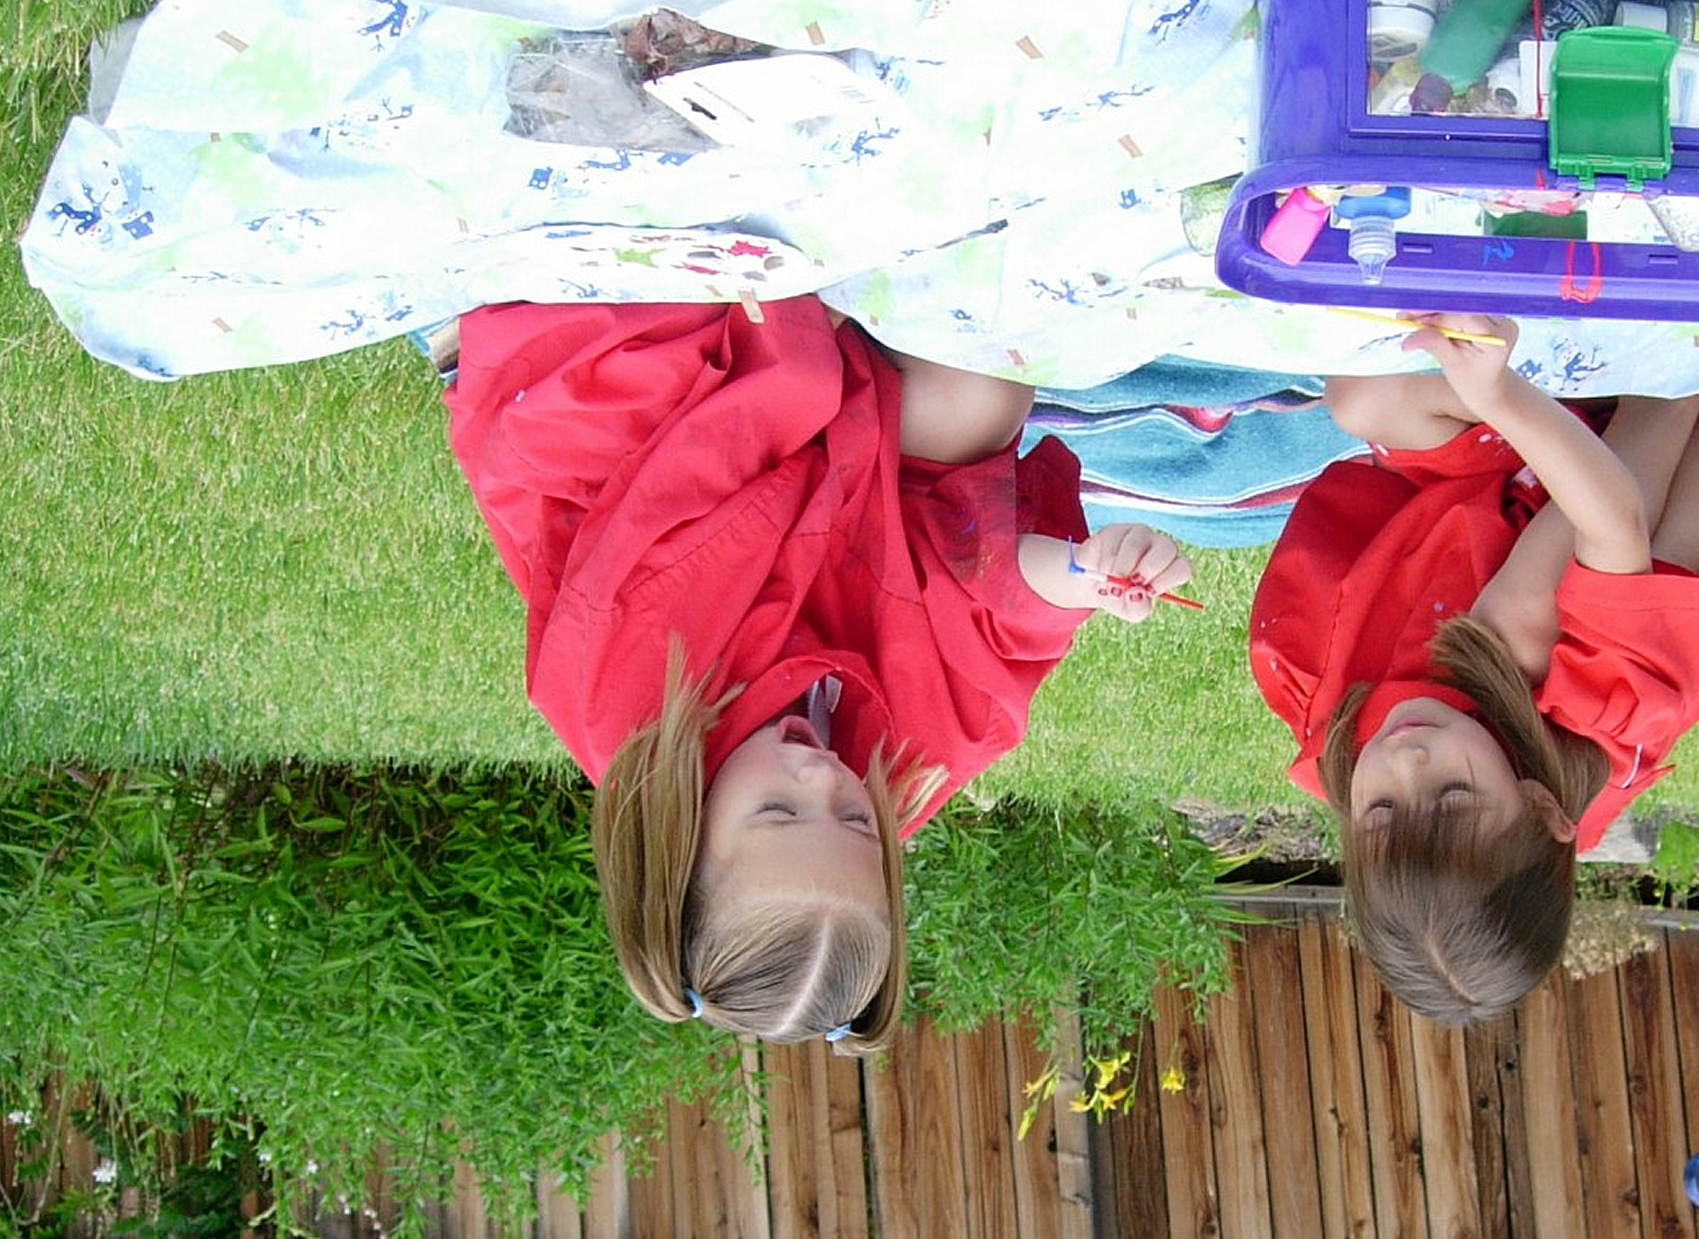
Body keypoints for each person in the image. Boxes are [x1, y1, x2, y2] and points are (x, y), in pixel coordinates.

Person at [446, 296, 1191, 1053]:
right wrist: (1081, 575)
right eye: (857, 823)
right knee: (981, 399)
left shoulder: (629, 696)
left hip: (640, 443)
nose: (821, 778)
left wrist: (805, 343)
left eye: (779, 811)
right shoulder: (887, 778)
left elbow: (694, 469)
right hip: (835, 488)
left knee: (776, 355)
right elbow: (990, 632)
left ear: (686, 845)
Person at [1247, 315, 1699, 1024]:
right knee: (1530, 609)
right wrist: (1507, 394)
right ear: (1541, 806)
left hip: (1501, 508)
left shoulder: (1331, 720)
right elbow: (1615, 521)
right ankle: (1697, 377)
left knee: (1360, 398)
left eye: (1380, 810)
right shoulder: (1597, 699)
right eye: (1452, 794)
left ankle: (1611, 391)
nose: (1407, 762)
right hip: (1650, 526)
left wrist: (1497, 409)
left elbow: (1388, 517)